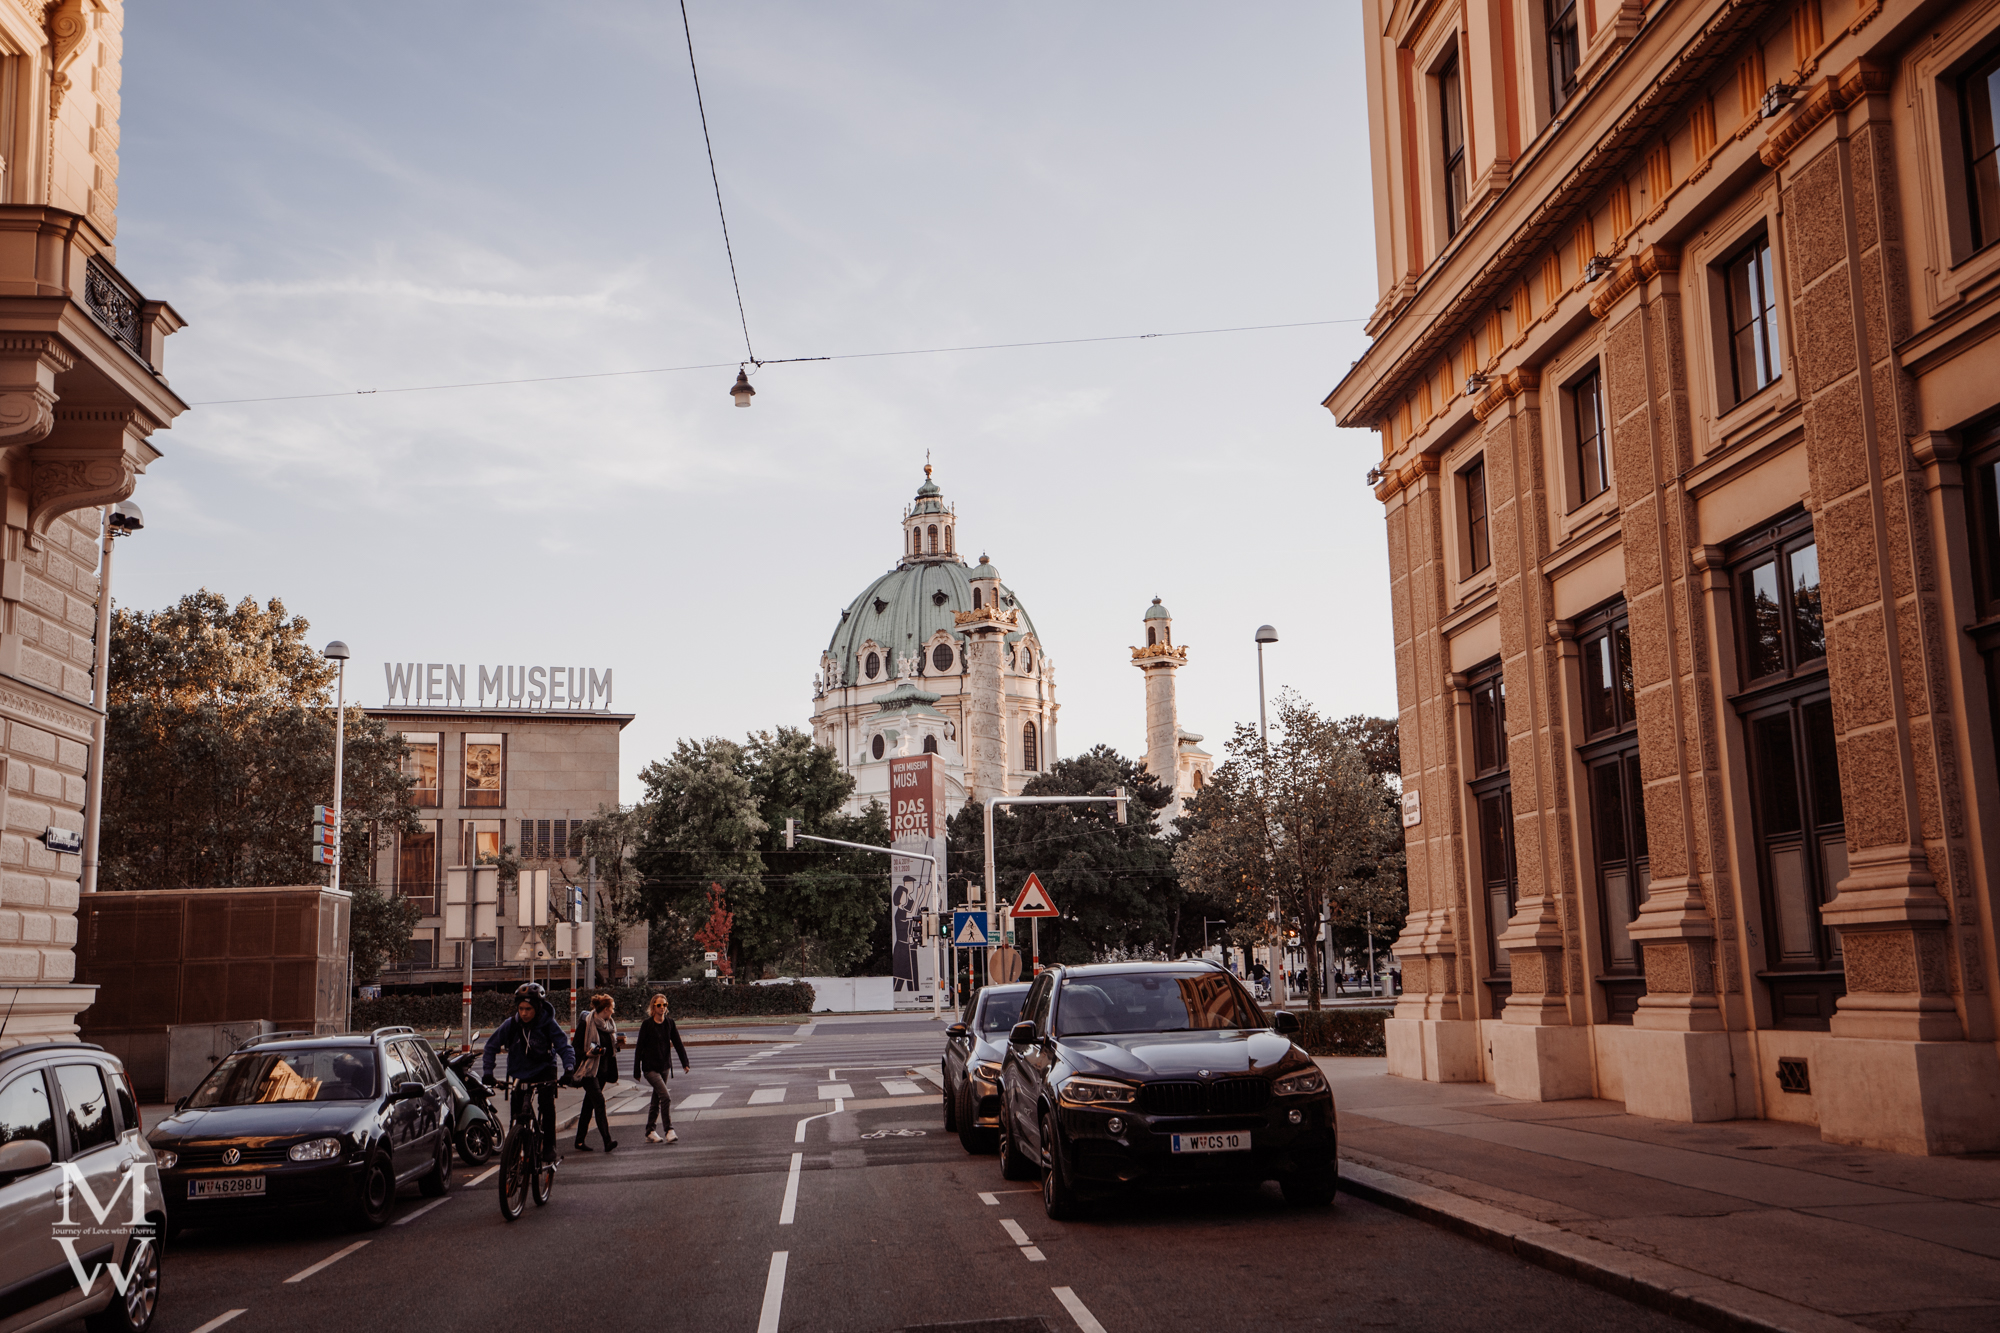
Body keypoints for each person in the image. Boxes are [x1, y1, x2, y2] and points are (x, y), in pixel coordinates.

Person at [481, 982, 576, 1164]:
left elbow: (564, 1047)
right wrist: (488, 1073)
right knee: (517, 1114)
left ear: (538, 1008)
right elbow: (490, 1046)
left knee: (547, 1106)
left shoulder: (548, 1024)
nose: (524, 1013)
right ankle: (516, 1146)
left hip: (544, 1069)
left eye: (529, 1009)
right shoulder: (512, 1024)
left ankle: (549, 1146)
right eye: (521, 1008)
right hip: (519, 1071)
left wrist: (569, 1069)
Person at [634, 992, 690, 1144]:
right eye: (659, 1005)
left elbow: (678, 1044)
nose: (662, 1008)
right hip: (650, 1068)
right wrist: (636, 1070)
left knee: (656, 1099)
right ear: (653, 1007)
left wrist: (685, 1062)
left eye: (664, 1005)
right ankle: (669, 1130)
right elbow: (639, 1048)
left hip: (664, 1066)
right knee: (665, 1097)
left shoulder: (669, 1023)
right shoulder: (647, 1024)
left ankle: (650, 1131)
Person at [573, 993, 622, 1152]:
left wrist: (616, 1044)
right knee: (599, 1102)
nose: (613, 1012)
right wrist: (587, 1053)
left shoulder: (610, 1025)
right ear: (606, 1009)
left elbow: (609, 1048)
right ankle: (607, 1141)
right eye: (612, 1008)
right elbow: (574, 1048)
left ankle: (579, 1141)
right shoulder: (587, 1024)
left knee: (589, 1105)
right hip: (588, 1070)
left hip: (603, 1070)